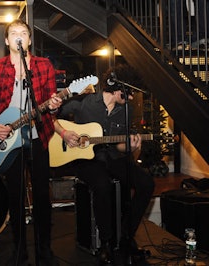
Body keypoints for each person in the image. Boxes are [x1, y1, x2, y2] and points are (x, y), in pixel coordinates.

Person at [0, 19, 62, 266]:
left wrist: (54, 105)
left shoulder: (44, 66)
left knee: (42, 197)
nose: (19, 36)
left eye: (23, 33)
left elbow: (50, 102)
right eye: (13, 33)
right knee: (15, 197)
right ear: (6, 41)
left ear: (29, 39)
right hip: (9, 143)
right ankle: (19, 251)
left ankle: (44, 250)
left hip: (38, 138)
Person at [55, 64, 155, 265]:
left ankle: (126, 235)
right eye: (131, 93)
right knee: (102, 185)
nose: (133, 98)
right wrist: (64, 134)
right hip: (86, 159)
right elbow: (52, 117)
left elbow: (118, 146)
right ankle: (106, 242)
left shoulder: (125, 109)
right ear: (119, 89)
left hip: (114, 158)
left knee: (146, 183)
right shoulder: (84, 101)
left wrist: (129, 147)